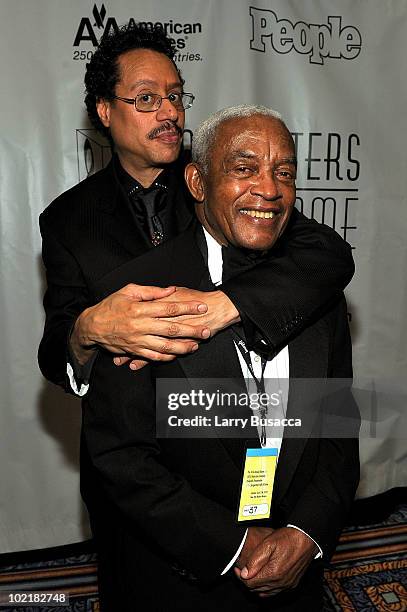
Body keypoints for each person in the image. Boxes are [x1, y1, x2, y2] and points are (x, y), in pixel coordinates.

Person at [82, 105, 360, 611]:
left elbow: (338, 429)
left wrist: (306, 532)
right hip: (181, 581)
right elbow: (120, 458)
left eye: (284, 173)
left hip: (297, 573)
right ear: (196, 181)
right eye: (244, 168)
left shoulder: (317, 289)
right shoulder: (134, 300)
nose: (269, 189)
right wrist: (232, 546)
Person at [38, 23, 354, 397]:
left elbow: (328, 254)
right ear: (105, 110)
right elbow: (55, 354)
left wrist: (227, 303)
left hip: (225, 423)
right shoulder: (67, 218)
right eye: (146, 99)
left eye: (175, 96)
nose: (169, 112)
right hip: (128, 430)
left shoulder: (223, 182)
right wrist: (86, 331)